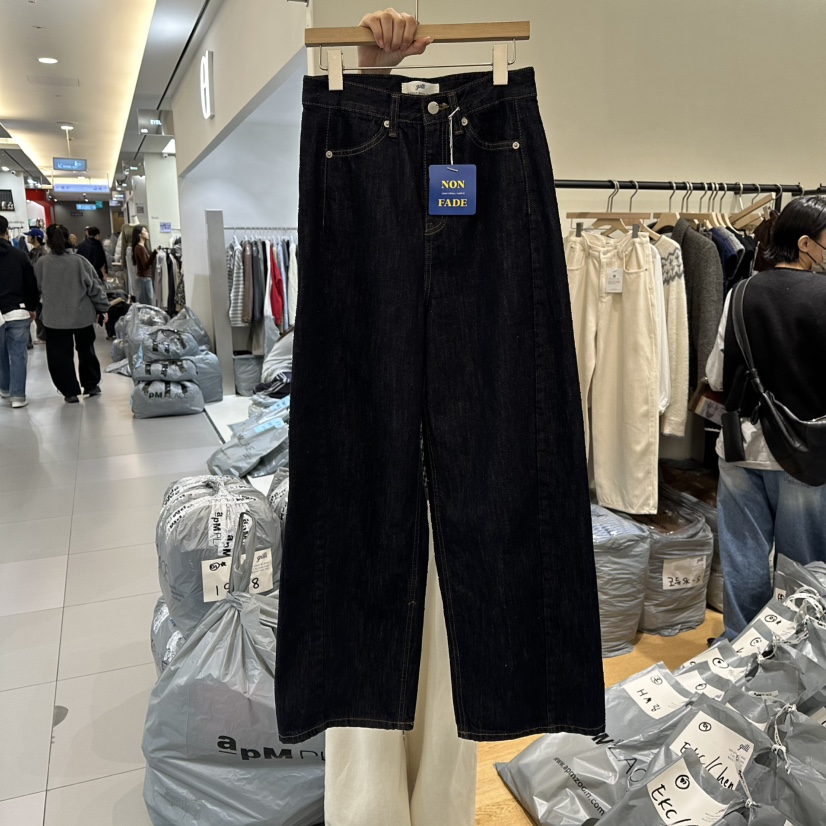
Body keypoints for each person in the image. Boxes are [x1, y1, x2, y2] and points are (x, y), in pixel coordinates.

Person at [707, 195, 826, 640]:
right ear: (805, 243)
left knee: (743, 556)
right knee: (803, 566)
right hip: (806, 451)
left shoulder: (741, 292)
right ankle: (797, 655)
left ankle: (742, 648)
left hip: (741, 445)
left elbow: (715, 374)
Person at [35, 224, 109, 403]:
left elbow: (36, 288)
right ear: (68, 239)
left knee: (59, 355)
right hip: (81, 316)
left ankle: (69, 392)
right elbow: (95, 287)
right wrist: (103, 308)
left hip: (54, 318)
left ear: (48, 240)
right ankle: (91, 384)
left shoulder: (42, 263)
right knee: (86, 350)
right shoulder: (79, 261)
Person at [0, 215, 38, 408]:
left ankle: (4, 388)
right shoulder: (20, 256)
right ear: (7, 232)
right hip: (18, 310)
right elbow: (31, 284)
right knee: (18, 355)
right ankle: (18, 396)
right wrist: (32, 308)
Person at [132, 224, 156, 305]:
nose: (147, 233)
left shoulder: (142, 247)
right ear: (140, 234)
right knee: (148, 303)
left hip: (144, 278)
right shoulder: (140, 248)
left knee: (146, 302)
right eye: (145, 231)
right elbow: (145, 265)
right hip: (144, 279)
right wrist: (154, 253)